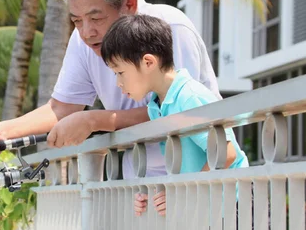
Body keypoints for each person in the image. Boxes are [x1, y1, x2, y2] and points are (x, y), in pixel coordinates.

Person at [0, 0, 219, 179]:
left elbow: (181, 110)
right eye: (76, 20)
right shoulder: (82, 40)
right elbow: (62, 109)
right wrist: (3, 131)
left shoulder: (171, 26)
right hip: (136, 184)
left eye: (96, 18)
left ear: (129, 4)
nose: (86, 32)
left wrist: (95, 120)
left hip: (197, 180)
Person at [100, 14, 248, 216]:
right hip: (212, 211)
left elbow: (226, 153)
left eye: (120, 72)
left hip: (236, 205)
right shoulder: (157, 105)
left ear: (148, 62)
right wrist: (153, 197)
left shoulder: (188, 96)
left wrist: (182, 192)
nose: (118, 82)